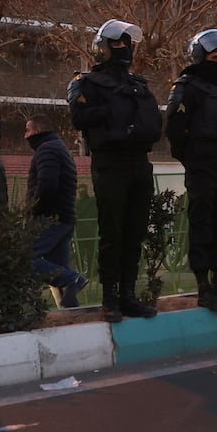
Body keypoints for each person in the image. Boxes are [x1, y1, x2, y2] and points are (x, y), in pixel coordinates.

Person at [68, 19, 162, 323]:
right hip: (110, 163)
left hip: (139, 163)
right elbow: (79, 118)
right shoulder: (86, 83)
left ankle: (128, 295)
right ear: (102, 48)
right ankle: (110, 297)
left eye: (126, 43)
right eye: (116, 43)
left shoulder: (139, 85)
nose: (122, 48)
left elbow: (155, 126)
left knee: (134, 232)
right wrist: (113, 114)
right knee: (112, 232)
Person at [165, 29, 217, 312]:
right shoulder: (186, 86)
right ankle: (203, 287)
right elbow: (174, 128)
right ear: (200, 57)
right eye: (214, 57)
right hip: (202, 167)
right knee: (202, 227)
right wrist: (192, 160)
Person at [25, 114, 87, 307]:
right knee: (59, 271)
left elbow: (47, 186)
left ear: (37, 130)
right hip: (65, 217)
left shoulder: (47, 150)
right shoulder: (58, 148)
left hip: (51, 217)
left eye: (27, 130)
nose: (25, 135)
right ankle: (71, 313)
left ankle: (74, 279)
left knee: (25, 258)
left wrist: (35, 210)